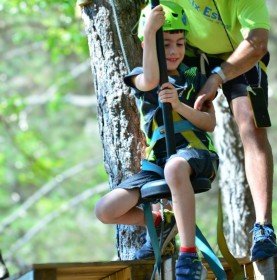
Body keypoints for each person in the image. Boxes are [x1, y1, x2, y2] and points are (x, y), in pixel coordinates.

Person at [95, 2, 218, 279]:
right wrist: (150, 31)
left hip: (195, 154)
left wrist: (179, 107)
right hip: (158, 162)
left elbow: (209, 123)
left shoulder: (193, 76)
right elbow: (151, 80)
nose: (174, 52)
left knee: (176, 166)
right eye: (166, 44)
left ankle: (188, 255)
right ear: (147, 42)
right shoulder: (139, 76)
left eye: (179, 43)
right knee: (106, 210)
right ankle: (164, 222)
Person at [167, 0, 277, 262]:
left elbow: (257, 42)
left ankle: (264, 229)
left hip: (240, 54)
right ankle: (168, 222)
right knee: (170, 113)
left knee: (251, 125)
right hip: (191, 50)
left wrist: (216, 77)